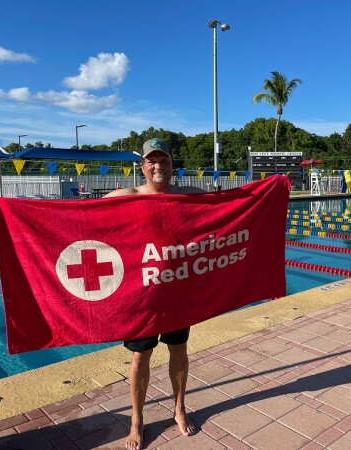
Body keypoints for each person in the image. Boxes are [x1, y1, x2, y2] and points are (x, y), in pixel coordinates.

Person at [105, 138, 203, 449]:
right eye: (152, 161)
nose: (158, 166)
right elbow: (86, 213)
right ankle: (137, 420)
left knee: (179, 351)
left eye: (164, 160)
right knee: (140, 356)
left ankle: (179, 408)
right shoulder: (128, 196)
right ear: (143, 166)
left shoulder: (186, 196)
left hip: (176, 290)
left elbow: (225, 202)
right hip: (142, 293)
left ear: (173, 165)